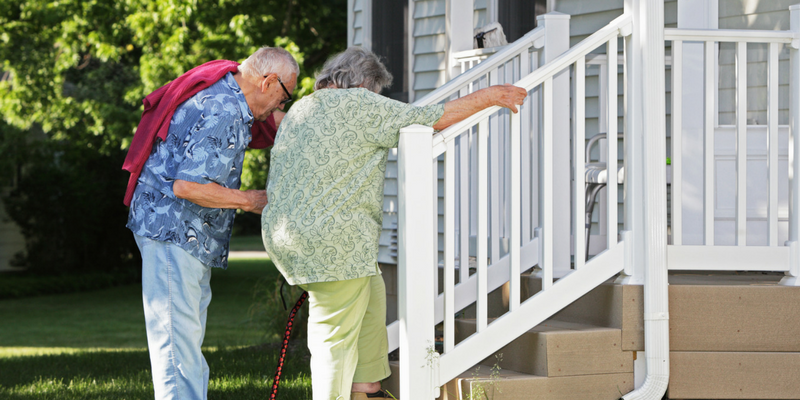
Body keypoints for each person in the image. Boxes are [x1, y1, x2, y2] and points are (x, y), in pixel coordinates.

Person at [261, 46, 526, 400]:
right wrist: (491, 96)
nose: (377, 99)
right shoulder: (359, 104)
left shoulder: (301, 109)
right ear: (365, 84)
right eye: (377, 92)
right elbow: (431, 117)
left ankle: (366, 388)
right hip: (334, 244)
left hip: (294, 237)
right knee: (332, 340)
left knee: (372, 297)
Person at [124, 46, 299, 400]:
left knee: (184, 340)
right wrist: (251, 200)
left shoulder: (228, 100)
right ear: (268, 82)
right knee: (177, 346)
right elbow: (186, 186)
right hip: (173, 229)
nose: (281, 107)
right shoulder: (223, 110)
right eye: (285, 97)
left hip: (183, 233)